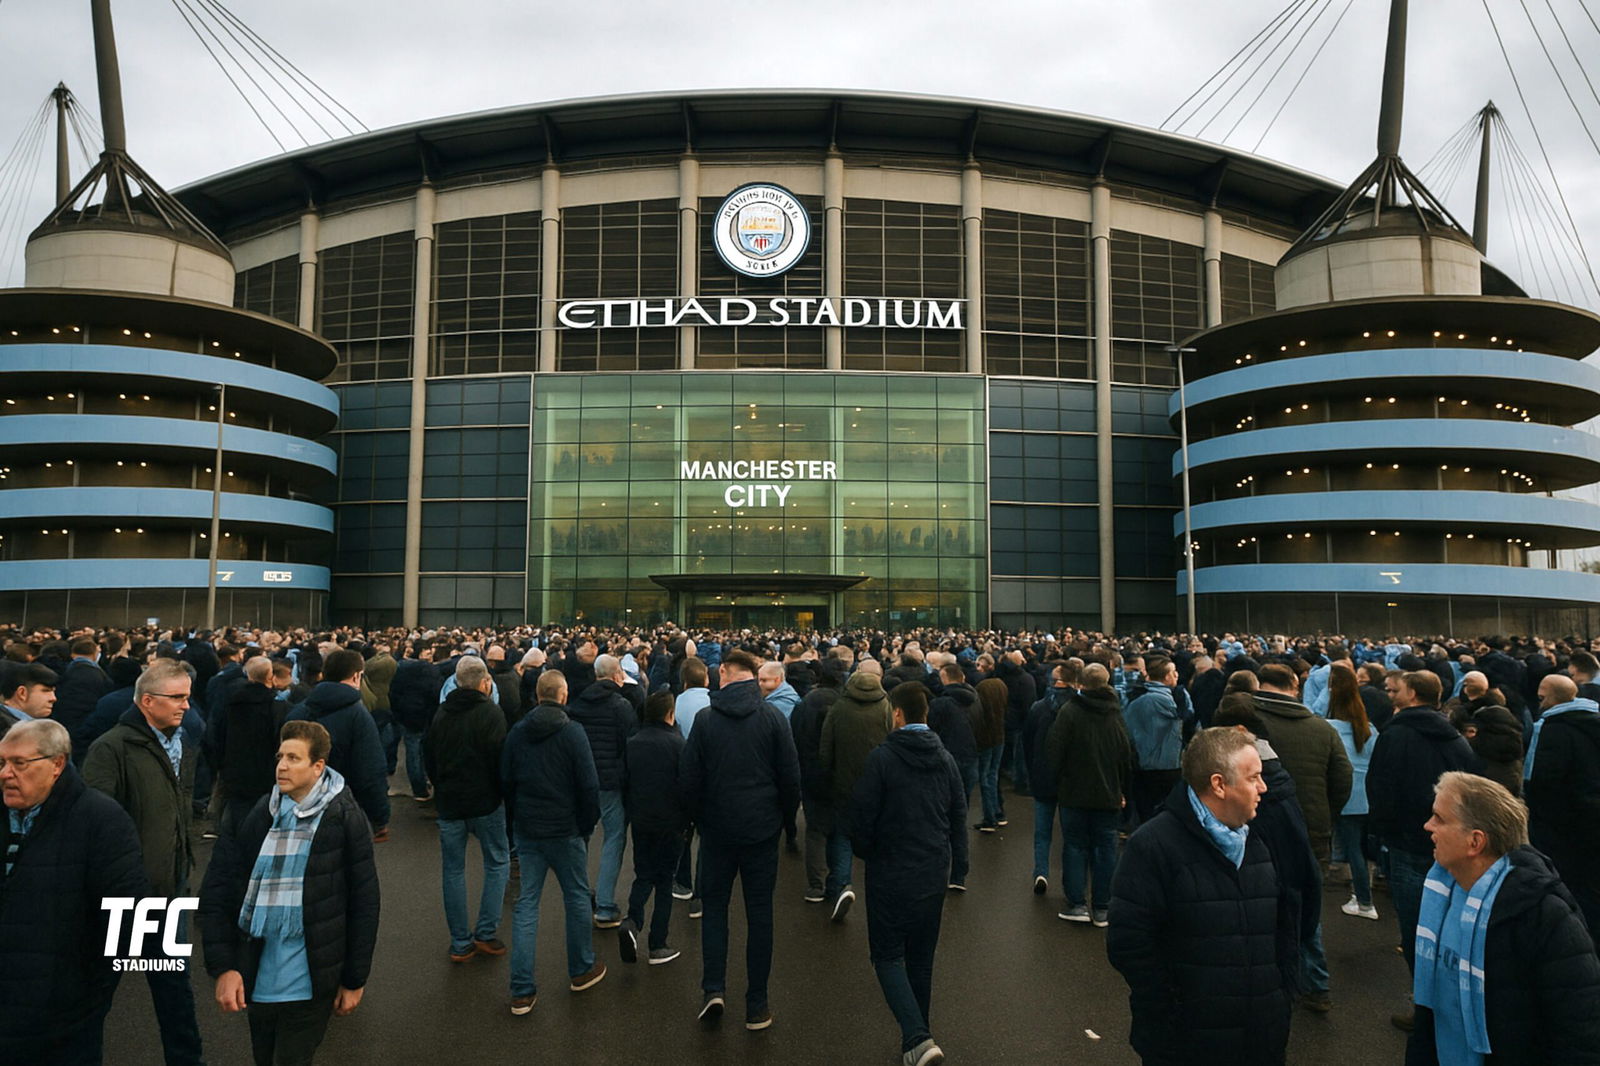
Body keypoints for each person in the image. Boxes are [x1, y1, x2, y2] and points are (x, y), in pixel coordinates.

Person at [1106, 727, 1295, 1066]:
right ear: (1219, 785)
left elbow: (1283, 929)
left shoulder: (1258, 839)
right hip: (1186, 1043)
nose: (1263, 788)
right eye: (1253, 778)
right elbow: (1129, 943)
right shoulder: (1153, 846)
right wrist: (1171, 1010)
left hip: (1260, 1037)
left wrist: (1280, 998)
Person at [199, 719, 380, 1066]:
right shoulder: (261, 812)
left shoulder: (344, 817)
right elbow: (221, 886)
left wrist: (355, 979)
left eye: (294, 758)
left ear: (318, 767)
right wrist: (224, 966)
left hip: (312, 978)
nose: (282, 765)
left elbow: (364, 902)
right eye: (280, 756)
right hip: (258, 974)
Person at [1406, 772, 1600, 1065]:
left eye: (1439, 819)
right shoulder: (1441, 891)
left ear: (1475, 842)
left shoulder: (1543, 915)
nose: (1427, 825)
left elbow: (1579, 1032)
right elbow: (1429, 1014)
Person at [83, 657, 206, 1065]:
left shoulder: (182, 741)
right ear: (147, 701)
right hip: (124, 896)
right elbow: (94, 826)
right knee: (94, 995)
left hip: (170, 888)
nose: (186, 706)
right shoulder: (111, 748)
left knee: (175, 993)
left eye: (187, 697)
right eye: (177, 698)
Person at [0, 718, 146, 1063]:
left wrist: (88, 1001)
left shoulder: (101, 820)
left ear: (56, 764)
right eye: (2, 763)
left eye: (19, 763)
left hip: (64, 1023)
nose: (6, 773)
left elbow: (127, 919)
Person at [679, 648, 801, 1030]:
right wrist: (785, 823)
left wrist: (699, 819)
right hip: (761, 831)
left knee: (715, 910)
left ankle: (713, 989)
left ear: (727, 675)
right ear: (752, 677)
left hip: (717, 832)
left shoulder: (706, 719)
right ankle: (757, 1003)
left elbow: (689, 780)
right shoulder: (773, 719)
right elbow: (790, 779)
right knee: (760, 915)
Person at [848, 682, 967, 1066]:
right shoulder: (945, 758)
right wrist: (959, 865)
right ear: (925, 714)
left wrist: (864, 850)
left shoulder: (882, 758)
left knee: (886, 956)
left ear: (897, 714)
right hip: (932, 868)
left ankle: (917, 1035)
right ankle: (918, 1038)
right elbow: (957, 815)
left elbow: (863, 814)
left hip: (891, 869)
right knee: (921, 959)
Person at [1365, 670, 1479, 1032]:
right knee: (1452, 929)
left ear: (1412, 693)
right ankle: (1452, 1004)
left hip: (1408, 846)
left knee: (1417, 931)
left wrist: (1381, 835)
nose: (1388, 691)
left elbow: (1380, 790)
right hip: (1453, 850)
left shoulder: (1394, 736)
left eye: (1393, 688)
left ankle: (1426, 1010)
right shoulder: (1458, 739)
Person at [500, 670, 605, 1014]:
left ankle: (521, 990)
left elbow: (507, 779)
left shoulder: (518, 731)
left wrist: (516, 820)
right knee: (576, 896)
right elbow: (589, 785)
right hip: (566, 829)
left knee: (527, 904)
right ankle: (581, 969)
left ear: (537, 696)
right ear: (563, 695)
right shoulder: (572, 732)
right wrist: (586, 824)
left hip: (529, 828)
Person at [424, 655, 510, 964]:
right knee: (497, 863)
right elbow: (501, 759)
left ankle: (460, 941)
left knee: (453, 870)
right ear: (485, 683)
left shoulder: (441, 714)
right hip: (486, 802)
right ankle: (485, 932)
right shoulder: (492, 714)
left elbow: (429, 757)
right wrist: (501, 793)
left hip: (449, 803)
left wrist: (440, 786)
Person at [1046, 663, 1132, 925]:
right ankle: (1103, 906)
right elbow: (1126, 755)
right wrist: (1122, 790)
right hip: (1108, 794)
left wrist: (1057, 782)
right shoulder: (1115, 713)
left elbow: (1054, 751)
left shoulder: (1069, 711)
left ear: (1080, 684)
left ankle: (1077, 904)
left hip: (1074, 793)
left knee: (1075, 847)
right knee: (1106, 849)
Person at [285, 648, 390, 841]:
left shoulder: (298, 712)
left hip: (299, 805)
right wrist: (379, 817)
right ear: (357, 676)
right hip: (344, 809)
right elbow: (370, 770)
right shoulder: (358, 715)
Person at [1523, 672, 1600, 933]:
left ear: (1547, 698)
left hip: (1564, 826)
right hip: (1592, 817)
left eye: (1541, 697)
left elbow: (1543, 783)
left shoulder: (1552, 729)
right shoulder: (1593, 719)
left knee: (1570, 886)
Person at [567, 653, 638, 929]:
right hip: (611, 782)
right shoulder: (621, 706)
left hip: (583, 781)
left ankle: (581, 894)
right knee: (614, 839)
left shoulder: (578, 704)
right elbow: (629, 747)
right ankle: (606, 906)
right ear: (617, 674)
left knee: (582, 836)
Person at [617, 690, 687, 966]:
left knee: (643, 874)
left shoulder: (633, 742)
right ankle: (658, 943)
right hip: (671, 822)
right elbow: (686, 785)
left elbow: (625, 782)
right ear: (670, 715)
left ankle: (632, 921)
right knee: (664, 880)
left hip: (642, 820)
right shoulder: (677, 744)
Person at [818, 663, 893, 921]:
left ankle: (841, 886)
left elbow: (826, 748)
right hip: (877, 782)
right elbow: (892, 739)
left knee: (842, 836)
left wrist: (825, 778)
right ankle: (881, 889)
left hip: (844, 783)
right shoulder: (885, 706)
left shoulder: (840, 707)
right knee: (878, 835)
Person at [208, 656, 288, 839]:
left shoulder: (230, 702)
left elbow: (216, 734)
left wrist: (220, 763)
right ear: (270, 676)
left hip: (234, 770)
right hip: (265, 773)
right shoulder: (277, 707)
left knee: (234, 823)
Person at [790, 656, 846, 903]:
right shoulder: (846, 702)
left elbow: (795, 735)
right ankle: (839, 883)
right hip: (842, 774)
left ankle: (816, 885)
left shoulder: (806, 702)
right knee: (840, 831)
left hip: (812, 773)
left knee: (815, 831)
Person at [1325, 662, 1378, 920]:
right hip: (1367, 797)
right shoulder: (1370, 730)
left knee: (1353, 849)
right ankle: (1363, 894)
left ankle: (1365, 901)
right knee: (1362, 849)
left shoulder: (1329, 729)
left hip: (1344, 798)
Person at [1022, 662, 1072, 895]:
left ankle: (1040, 872)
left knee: (1042, 832)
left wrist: (1032, 772)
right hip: (1069, 778)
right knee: (1070, 834)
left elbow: (1028, 743)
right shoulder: (1076, 707)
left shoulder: (1038, 708)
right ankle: (1069, 880)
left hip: (1042, 775)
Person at [1123, 657, 1189, 825]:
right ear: (1166, 677)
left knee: (1145, 811)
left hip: (1141, 763)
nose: (1177, 675)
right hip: (1165, 764)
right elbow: (1186, 717)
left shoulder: (1136, 696)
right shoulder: (1165, 700)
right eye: (1173, 672)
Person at [973, 668, 1008, 831]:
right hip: (999, 737)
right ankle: (997, 812)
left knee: (985, 778)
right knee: (993, 775)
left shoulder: (982, 694)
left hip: (986, 740)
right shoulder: (1001, 690)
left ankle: (989, 817)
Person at [0, 661, 57, 738]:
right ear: (22, 693)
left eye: (53, 691)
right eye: (46, 690)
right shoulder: (12, 734)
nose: (53, 698)